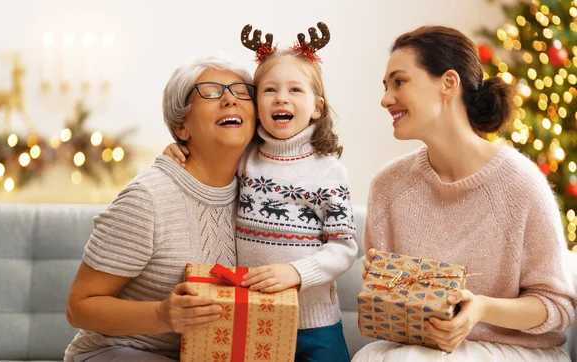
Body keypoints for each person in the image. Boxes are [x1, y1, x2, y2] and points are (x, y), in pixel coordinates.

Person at [353, 25, 577, 362]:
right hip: (418, 350)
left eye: (399, 82)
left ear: (448, 83)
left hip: (514, 351)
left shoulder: (520, 184)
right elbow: (391, 317)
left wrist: (481, 309)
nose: (386, 99)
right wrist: (383, 289)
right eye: (386, 87)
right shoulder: (388, 186)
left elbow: (557, 307)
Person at [164, 23, 357, 361]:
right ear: (255, 104)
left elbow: (343, 247)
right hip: (254, 313)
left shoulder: (329, 171)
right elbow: (207, 158)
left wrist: (297, 273)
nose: (281, 97)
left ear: (317, 107)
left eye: (295, 90)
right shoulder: (245, 158)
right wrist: (178, 149)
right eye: (269, 90)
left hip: (315, 325)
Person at [63, 54, 257, 362]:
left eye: (241, 90)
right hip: (120, 351)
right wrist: (162, 314)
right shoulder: (148, 198)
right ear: (181, 127)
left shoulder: (260, 192)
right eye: (210, 91)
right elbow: (79, 306)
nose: (230, 99)